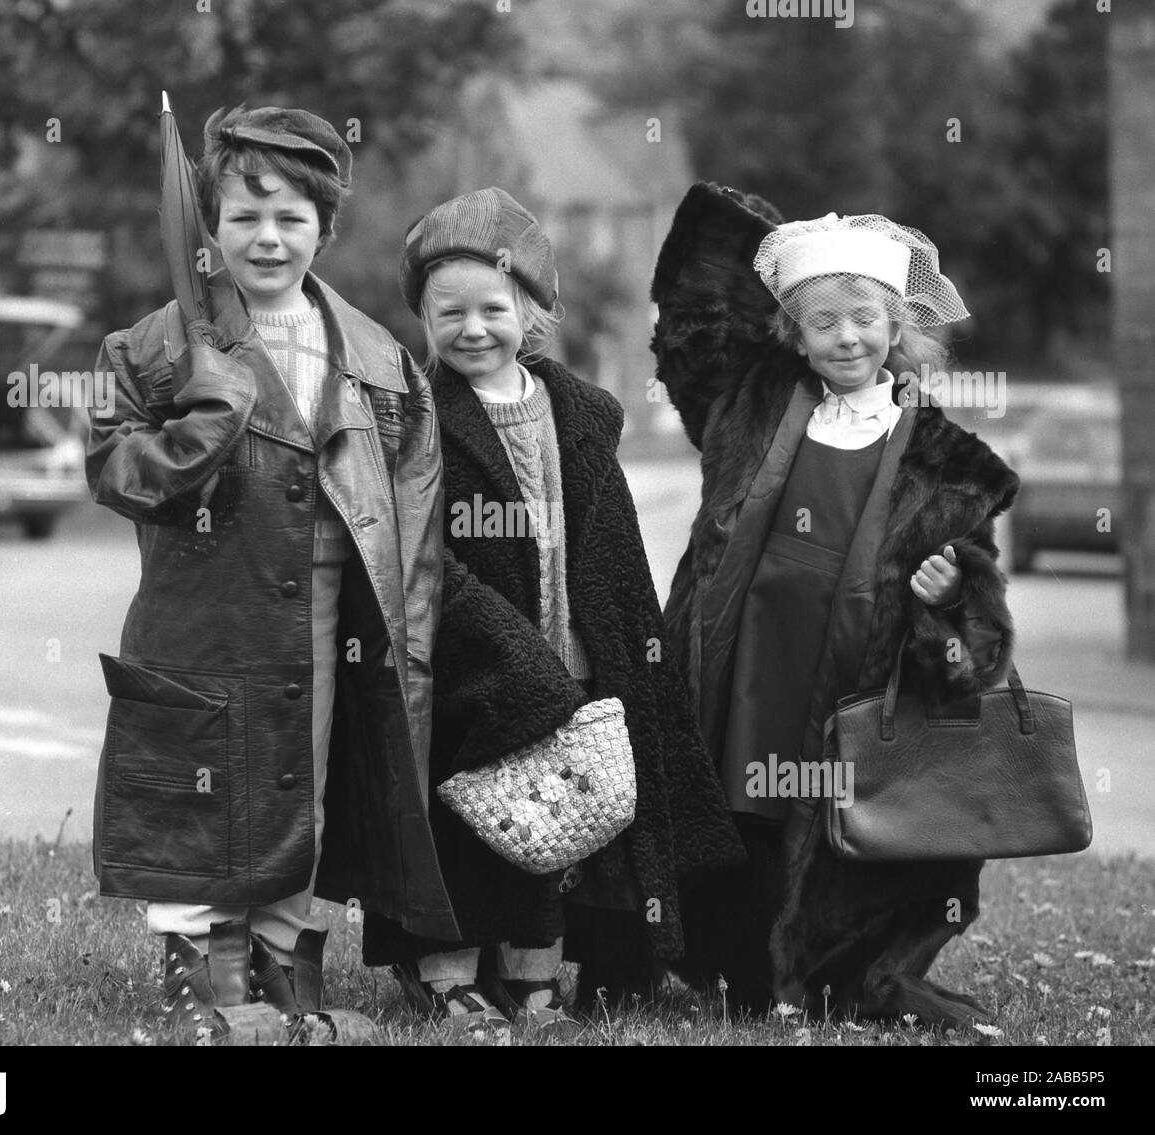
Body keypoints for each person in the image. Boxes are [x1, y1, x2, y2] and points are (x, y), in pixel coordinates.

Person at [85, 105, 456, 1037]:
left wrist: (408, 647)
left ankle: (286, 964)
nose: (267, 237)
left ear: (326, 229)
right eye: (245, 216)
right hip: (201, 619)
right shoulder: (151, 349)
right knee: (195, 789)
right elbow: (117, 473)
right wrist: (204, 417)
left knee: (305, 784)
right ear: (210, 224)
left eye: (292, 216)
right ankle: (199, 976)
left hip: (327, 619)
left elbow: (414, 515)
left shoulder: (378, 358)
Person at [361, 187, 744, 1027]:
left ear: (532, 310)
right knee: (458, 817)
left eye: (493, 307)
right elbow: (416, 555)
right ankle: (448, 972)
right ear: (423, 316)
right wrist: (491, 640)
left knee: (547, 819)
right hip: (462, 666)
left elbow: (613, 561)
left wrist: (627, 660)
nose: (472, 327)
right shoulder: (414, 418)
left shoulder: (578, 415)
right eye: (448, 310)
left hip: (566, 653)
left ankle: (533, 973)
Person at [651, 184, 1019, 1027]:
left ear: (898, 326)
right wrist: (741, 224)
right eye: (823, 321)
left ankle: (847, 969)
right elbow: (693, 326)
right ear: (795, 333)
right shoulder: (750, 406)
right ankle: (739, 964)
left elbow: (980, 639)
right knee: (746, 802)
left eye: (863, 317)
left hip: (857, 673)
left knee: (835, 818)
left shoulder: (946, 464)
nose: (846, 336)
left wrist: (948, 600)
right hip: (753, 655)